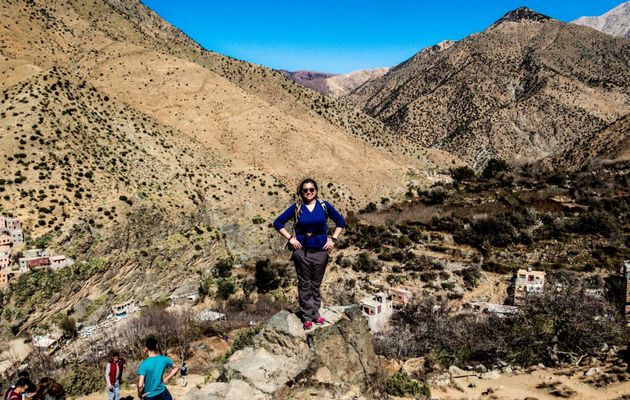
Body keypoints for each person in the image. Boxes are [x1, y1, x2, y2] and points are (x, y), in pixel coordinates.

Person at [273, 178, 345, 330]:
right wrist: (290, 238)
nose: (308, 192)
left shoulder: (323, 206)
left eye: (311, 189)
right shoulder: (296, 207)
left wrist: (333, 239)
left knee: (315, 284)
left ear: (316, 190)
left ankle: (315, 312)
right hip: (301, 252)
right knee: (305, 284)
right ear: (301, 192)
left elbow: (340, 221)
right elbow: (277, 223)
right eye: (305, 190)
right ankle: (307, 316)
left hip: (321, 252)